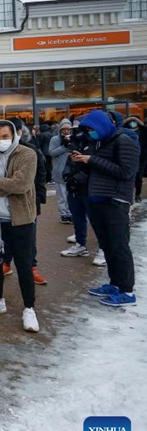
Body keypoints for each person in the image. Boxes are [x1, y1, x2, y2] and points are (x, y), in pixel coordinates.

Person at [0, 120, 40, 333]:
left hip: (21, 219)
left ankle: (29, 308)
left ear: (13, 135)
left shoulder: (27, 154)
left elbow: (22, 185)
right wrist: (6, 184)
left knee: (24, 264)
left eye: (5, 136)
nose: (0, 141)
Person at [76, 110, 139, 307]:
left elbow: (126, 171)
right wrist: (82, 160)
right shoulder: (102, 142)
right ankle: (115, 284)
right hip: (98, 200)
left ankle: (127, 291)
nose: (90, 133)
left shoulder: (124, 141)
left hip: (115, 201)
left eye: (92, 129)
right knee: (108, 245)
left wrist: (91, 160)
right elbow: (100, 169)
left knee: (119, 246)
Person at [0, 118, 47, 286]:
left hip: (26, 202)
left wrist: (39, 198)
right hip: (2, 202)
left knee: (28, 238)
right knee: (4, 235)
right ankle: (6, 263)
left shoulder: (30, 150)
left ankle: (31, 268)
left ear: (18, 133)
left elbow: (41, 174)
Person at [62, 117, 99, 264]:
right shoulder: (77, 143)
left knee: (96, 220)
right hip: (74, 188)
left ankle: (102, 249)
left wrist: (79, 177)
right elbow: (70, 161)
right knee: (77, 218)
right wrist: (68, 176)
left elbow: (94, 165)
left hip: (90, 188)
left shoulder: (97, 144)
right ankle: (80, 244)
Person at [49, 119, 75, 225]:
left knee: (71, 195)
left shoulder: (75, 139)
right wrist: (64, 146)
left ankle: (70, 213)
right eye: (63, 129)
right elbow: (51, 152)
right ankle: (63, 214)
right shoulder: (55, 139)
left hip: (71, 171)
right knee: (62, 195)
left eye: (68, 129)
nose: (66, 132)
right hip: (59, 171)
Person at [123, 116, 147, 202]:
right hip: (128, 157)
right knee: (130, 176)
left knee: (138, 177)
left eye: (135, 121)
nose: (133, 123)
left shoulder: (143, 131)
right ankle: (129, 194)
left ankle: (137, 194)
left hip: (141, 158)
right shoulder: (124, 130)